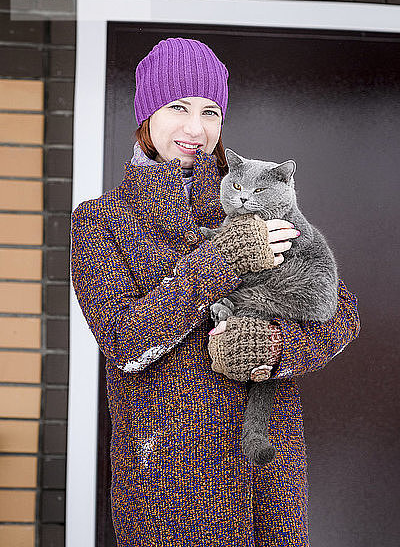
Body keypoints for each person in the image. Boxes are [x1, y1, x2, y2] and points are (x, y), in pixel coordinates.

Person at [70, 37, 360, 547]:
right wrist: (221, 260)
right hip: (168, 476)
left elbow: (341, 313)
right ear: (147, 114)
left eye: (211, 112)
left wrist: (270, 350)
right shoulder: (101, 222)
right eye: (178, 107)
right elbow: (125, 341)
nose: (196, 128)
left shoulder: (254, 199)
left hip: (267, 469)